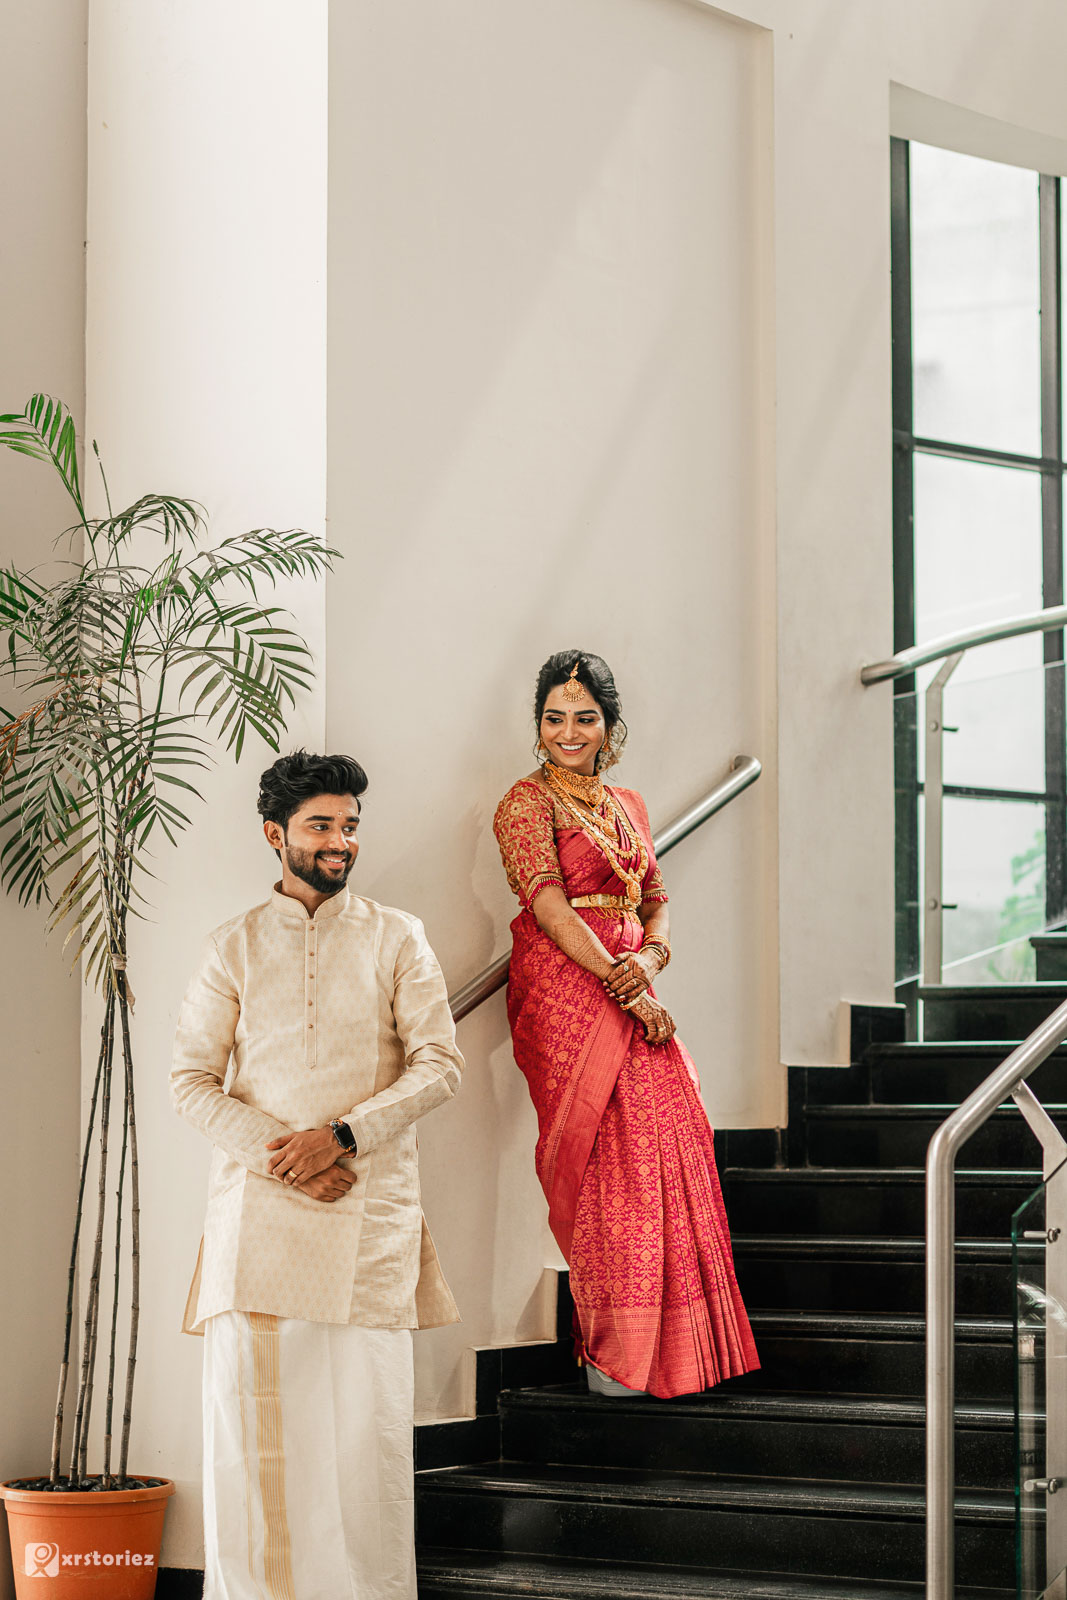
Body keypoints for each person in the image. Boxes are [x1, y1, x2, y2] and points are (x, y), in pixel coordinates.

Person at [171, 750, 463, 1600]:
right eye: (321, 826)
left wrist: (339, 1138)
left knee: (363, 1446)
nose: (340, 841)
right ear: (276, 835)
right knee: (253, 1445)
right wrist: (288, 1158)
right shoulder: (231, 946)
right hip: (259, 1220)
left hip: (363, 1211)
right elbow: (189, 1081)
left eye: (349, 826)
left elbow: (439, 1065)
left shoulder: (396, 936)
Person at [493, 651, 758, 1399]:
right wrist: (628, 987)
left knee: (668, 1144)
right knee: (607, 1162)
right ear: (537, 725)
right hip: (564, 989)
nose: (568, 732)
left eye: (585, 718)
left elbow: (655, 900)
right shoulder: (524, 803)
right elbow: (549, 908)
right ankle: (614, 1356)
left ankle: (674, 1350)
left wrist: (650, 959)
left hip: (630, 979)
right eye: (554, 718)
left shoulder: (629, 805)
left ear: (609, 726)